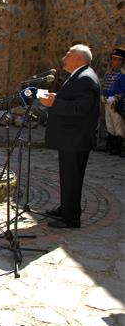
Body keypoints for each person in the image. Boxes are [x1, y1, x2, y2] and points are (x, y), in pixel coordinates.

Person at [40, 44, 100, 229]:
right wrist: (56, 98)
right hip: (71, 138)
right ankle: (66, 208)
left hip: (76, 139)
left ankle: (71, 218)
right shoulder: (78, 76)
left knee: (73, 178)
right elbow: (74, 100)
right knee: (68, 177)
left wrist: (53, 103)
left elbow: (80, 108)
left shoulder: (85, 79)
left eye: (69, 53)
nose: (64, 56)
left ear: (78, 58)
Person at [101, 47, 125, 155]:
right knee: (109, 125)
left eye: (115, 59)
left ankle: (117, 148)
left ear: (121, 61)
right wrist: (103, 96)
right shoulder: (108, 73)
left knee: (118, 126)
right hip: (107, 103)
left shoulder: (122, 74)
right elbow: (104, 87)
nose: (113, 61)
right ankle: (110, 146)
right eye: (112, 58)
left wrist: (115, 98)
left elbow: (124, 90)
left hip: (116, 104)